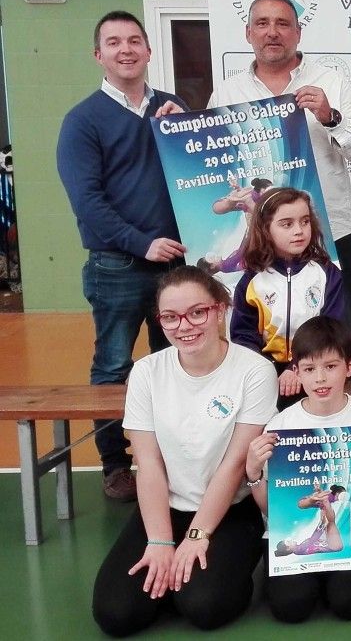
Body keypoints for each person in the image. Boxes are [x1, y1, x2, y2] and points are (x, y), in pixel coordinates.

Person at [91, 266, 277, 636]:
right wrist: (160, 541)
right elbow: (149, 464)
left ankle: (218, 570)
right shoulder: (146, 372)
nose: (185, 326)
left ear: (221, 310)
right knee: (115, 615)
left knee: (206, 607)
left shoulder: (255, 371)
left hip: (228, 511)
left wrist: (197, 537)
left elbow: (234, 464)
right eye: (171, 317)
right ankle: (172, 576)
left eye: (197, 312)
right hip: (163, 508)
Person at [57, 10, 188, 501]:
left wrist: (182, 135)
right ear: (99, 55)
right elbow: (87, 201)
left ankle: (174, 459)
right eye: (114, 42)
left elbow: (198, 176)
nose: (126, 49)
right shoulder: (82, 121)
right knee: (114, 366)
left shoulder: (173, 109)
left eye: (135, 40)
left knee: (176, 363)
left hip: (176, 265)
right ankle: (116, 465)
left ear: (149, 51)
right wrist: (142, 243)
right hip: (118, 264)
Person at [207, 0, 351, 365]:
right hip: (261, 241)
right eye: (263, 24)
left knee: (336, 336)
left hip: (329, 234)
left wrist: (331, 117)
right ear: (248, 32)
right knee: (259, 335)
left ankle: (339, 418)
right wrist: (175, 130)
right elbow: (210, 161)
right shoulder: (227, 92)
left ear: (298, 32)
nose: (273, 32)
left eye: (283, 24)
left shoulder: (330, 82)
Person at [244, 315, 351, 623]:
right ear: (296, 371)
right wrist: (253, 474)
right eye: (310, 369)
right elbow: (273, 510)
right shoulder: (281, 425)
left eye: (330, 367)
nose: (320, 379)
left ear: (350, 367)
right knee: (291, 608)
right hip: (294, 530)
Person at [230, 187, 344, 410]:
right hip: (268, 372)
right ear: (265, 229)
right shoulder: (252, 280)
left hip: (317, 368)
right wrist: (268, 372)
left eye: (304, 221)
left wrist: (298, 368)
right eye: (287, 224)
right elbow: (243, 337)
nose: (299, 231)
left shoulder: (327, 273)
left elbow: (334, 328)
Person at [197, 178, 272, 275]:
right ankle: (259, 189)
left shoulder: (225, 264)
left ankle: (259, 190)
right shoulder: (225, 266)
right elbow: (242, 252)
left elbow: (242, 250)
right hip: (258, 248)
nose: (213, 255)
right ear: (212, 266)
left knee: (250, 207)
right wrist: (250, 231)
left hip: (255, 243)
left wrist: (237, 189)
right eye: (210, 258)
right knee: (253, 210)